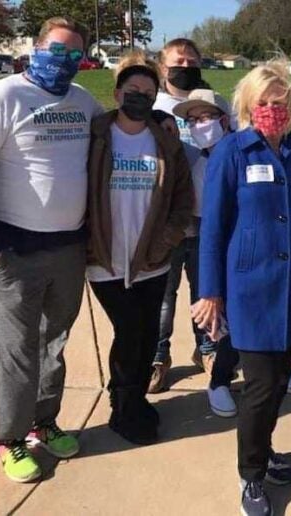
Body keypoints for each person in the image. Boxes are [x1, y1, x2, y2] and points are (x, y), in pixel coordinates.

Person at [0, 16, 102, 483]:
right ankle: (11, 439)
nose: (64, 61)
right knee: (17, 351)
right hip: (14, 250)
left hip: (69, 248)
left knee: (54, 345)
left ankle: (43, 423)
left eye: (74, 53)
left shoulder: (82, 101)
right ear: (35, 50)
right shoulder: (3, 96)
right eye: (56, 50)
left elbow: (120, 134)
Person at [192, 60, 291, 516]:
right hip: (249, 289)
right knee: (261, 385)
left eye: (282, 103)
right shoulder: (233, 152)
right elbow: (213, 228)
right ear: (248, 106)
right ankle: (251, 475)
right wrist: (210, 292)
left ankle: (264, 450)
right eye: (265, 103)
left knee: (276, 382)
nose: (274, 110)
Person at [85, 54, 193, 445]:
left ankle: (129, 400)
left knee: (146, 335)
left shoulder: (165, 140)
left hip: (151, 259)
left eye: (149, 93)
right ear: (117, 93)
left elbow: (183, 201)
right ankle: (124, 408)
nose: (140, 98)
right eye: (133, 91)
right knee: (130, 332)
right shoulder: (95, 135)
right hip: (105, 258)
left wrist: (167, 240)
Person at [169, 88, 241, 417]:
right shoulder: (199, 163)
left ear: (225, 120)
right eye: (193, 120)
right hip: (210, 244)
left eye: (207, 117)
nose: (200, 125)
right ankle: (221, 379)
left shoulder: (244, 153)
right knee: (219, 316)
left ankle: (266, 366)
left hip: (246, 245)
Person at [149, 38, 210, 387]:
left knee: (206, 292)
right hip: (166, 221)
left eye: (191, 62)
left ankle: (207, 347)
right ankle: (158, 355)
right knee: (163, 296)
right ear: (163, 67)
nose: (185, 68)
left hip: (207, 216)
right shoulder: (153, 107)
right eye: (178, 62)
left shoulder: (211, 105)